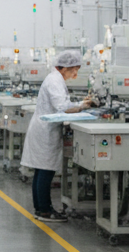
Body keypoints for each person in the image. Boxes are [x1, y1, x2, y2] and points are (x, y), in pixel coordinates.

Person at [20, 49, 94, 222]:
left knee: (42, 170)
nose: (76, 73)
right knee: (45, 170)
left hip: (45, 128)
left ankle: (41, 208)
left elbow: (63, 104)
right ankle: (44, 210)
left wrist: (79, 103)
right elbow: (63, 106)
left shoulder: (56, 79)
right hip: (45, 131)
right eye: (74, 69)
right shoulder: (55, 80)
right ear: (65, 67)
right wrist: (83, 106)